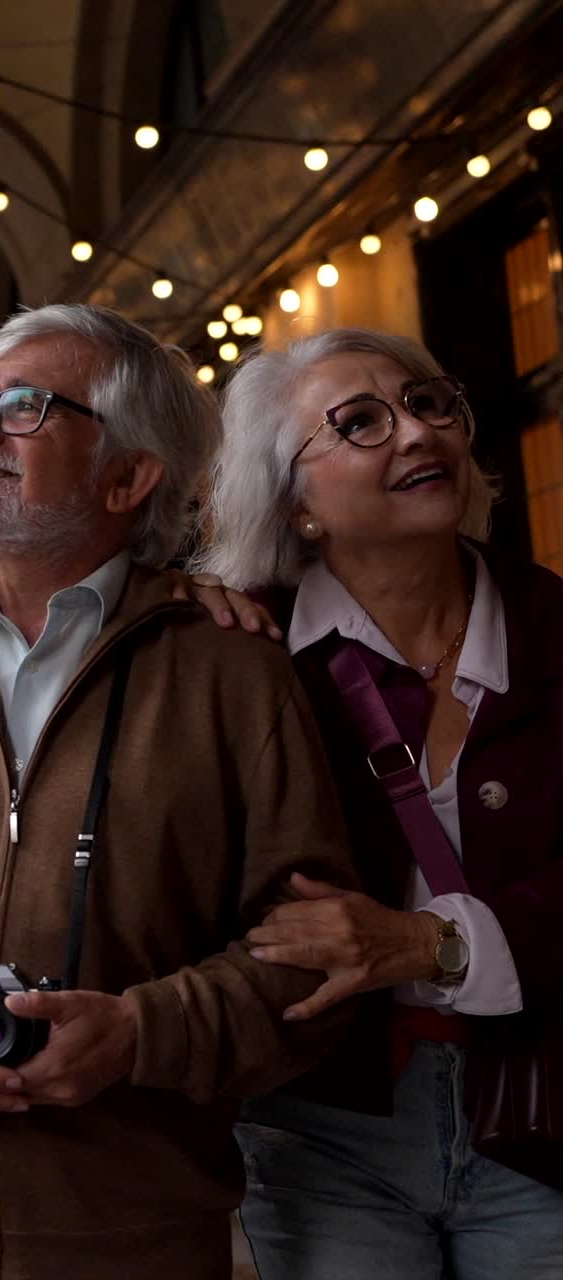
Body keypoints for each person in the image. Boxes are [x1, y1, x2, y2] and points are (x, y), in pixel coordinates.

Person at [0, 304, 358, 1280]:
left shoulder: (234, 670)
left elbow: (315, 963)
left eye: (27, 408)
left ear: (128, 476)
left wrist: (137, 1035)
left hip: (133, 1244)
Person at [180, 328, 562, 1279]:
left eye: (432, 404)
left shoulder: (557, 627)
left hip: (545, 1106)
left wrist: (437, 946)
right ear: (295, 502)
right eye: (362, 423)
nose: (417, 433)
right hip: (322, 1121)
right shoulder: (234, 650)